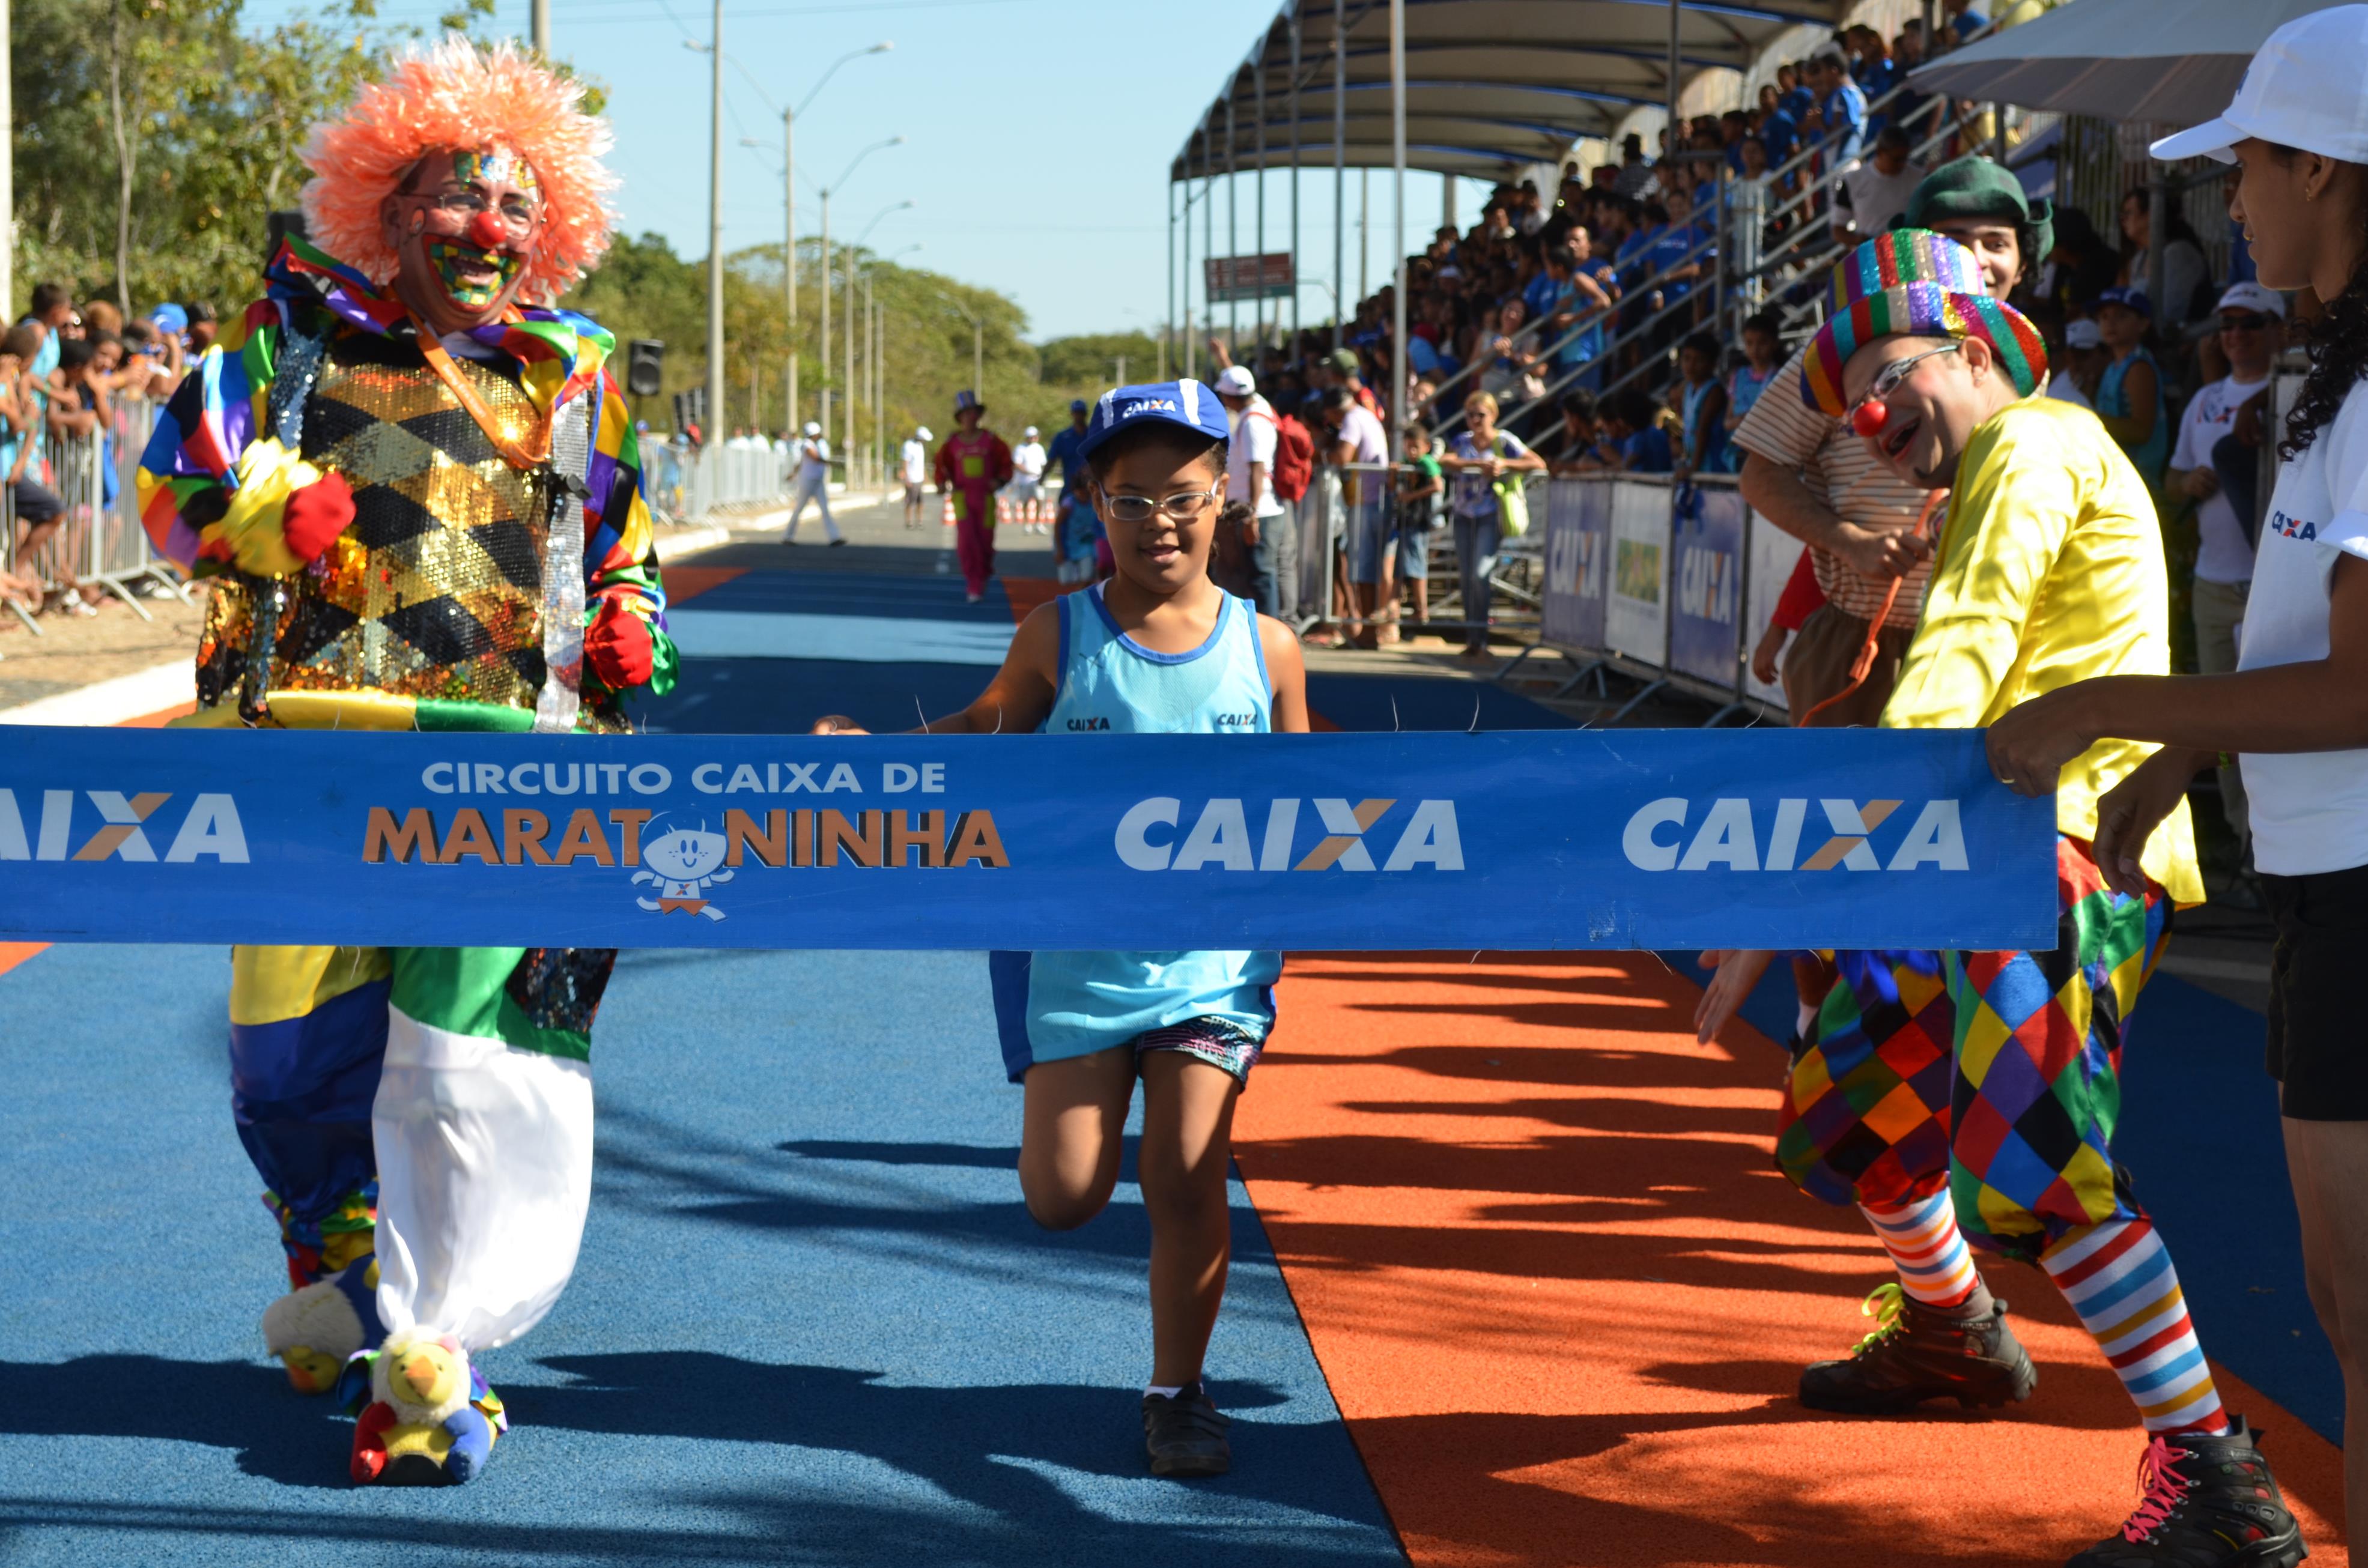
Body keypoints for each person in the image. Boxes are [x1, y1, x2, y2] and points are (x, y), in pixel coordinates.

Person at [1705, 229, 2305, 1568]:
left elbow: (1961, 667)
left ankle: (2219, 1474)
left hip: (2049, 864)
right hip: (1953, 859)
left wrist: (1779, 899)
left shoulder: (2036, 445)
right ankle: (1952, 1333)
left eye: (1885, 379)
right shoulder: (1989, 466)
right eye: (1851, 393)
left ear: (1971, 350)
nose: (1864, 416)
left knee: (2040, 1164)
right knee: (1866, 1108)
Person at [132, 37, 673, 1485]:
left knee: (464, 1069)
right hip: (307, 752)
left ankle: (436, 1358)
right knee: (292, 1066)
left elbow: (619, 552)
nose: (486, 230)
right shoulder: (286, 343)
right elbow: (170, 490)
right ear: (388, 202)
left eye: (513, 209)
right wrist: (252, 527)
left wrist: (629, 631)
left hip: (505, 766)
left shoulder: (577, 376)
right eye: (454, 199)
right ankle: (344, 1265)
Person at [1987, 23, 2368, 1548]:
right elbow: (2295, 638)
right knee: (2343, 1304)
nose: (2232, 202)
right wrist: (2177, 761)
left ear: (2329, 168)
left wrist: (2102, 706)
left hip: (2358, 887)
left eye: (2251, 165)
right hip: (2320, 885)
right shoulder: (2325, 380)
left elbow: (2356, 687)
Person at [810, 380, 1310, 1478]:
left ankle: (1178, 1394)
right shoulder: (1056, 632)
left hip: (1212, 972)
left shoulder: (1268, 648)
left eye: (1181, 496)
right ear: (1092, 502)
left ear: (1222, 496)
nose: (1159, 523)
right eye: (1130, 501)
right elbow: (982, 733)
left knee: (1187, 1170)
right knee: (1063, 1198)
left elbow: (1304, 803)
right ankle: (1081, 1140)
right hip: (1073, 964)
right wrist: (865, 759)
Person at [2169, 281, 2284, 870]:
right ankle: (2246, 854)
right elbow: (2173, 478)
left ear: (2276, 329)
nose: (2234, 334)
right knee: (2224, 731)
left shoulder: (2300, 387)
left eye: (2249, 322)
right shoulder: (2205, 399)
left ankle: (2280, 852)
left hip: (2279, 587)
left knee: (2277, 727)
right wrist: (2187, 484)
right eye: (2226, 324)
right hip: (2215, 587)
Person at [1437, 390, 1543, 658]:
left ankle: (1481, 637)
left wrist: (1503, 464)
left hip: (1490, 514)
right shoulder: (1463, 441)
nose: (1475, 419)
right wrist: (1472, 462)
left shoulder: (1504, 440)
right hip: (1463, 515)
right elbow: (1445, 460)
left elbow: (1536, 462)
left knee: (1480, 574)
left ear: (1493, 415)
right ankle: (1472, 638)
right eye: (1470, 414)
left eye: (1480, 414)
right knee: (1466, 576)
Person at [1213, 366, 1291, 620]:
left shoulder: (1253, 422)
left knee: (1260, 575)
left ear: (1230, 397)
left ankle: (1268, 632)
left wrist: (1251, 515)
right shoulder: (1257, 407)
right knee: (1256, 575)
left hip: (1260, 511)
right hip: (1259, 508)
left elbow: (1257, 469)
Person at [1322, 383, 1392, 649]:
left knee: (1364, 569)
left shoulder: (1353, 419)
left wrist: (1323, 455)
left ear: (1332, 411)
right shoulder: (1365, 415)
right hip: (1373, 498)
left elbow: (1343, 456)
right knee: (1367, 568)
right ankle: (1366, 631)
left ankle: (1367, 633)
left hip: (1367, 500)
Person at [934, 389, 1015, 603]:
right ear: (960, 416)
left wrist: (999, 481)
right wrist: (941, 483)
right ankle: (974, 583)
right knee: (966, 543)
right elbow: (941, 467)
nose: (971, 417)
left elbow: (1007, 465)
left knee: (985, 543)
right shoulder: (952, 444)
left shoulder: (991, 441)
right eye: (967, 413)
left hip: (985, 500)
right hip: (963, 500)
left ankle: (984, 572)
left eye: (974, 412)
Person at [2093, 286, 2169, 487]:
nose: (2110, 322)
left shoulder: (2139, 367)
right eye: (2104, 316)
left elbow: (2141, 431)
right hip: (2120, 477)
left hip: (2139, 482)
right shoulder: (2112, 367)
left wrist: (2090, 420)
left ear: (2143, 324)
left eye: (2121, 316)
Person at [1832, 127, 1924, 244]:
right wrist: (1860, 240)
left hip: (1908, 250)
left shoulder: (1919, 178)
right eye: (1897, 159)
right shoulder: (1853, 180)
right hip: (1870, 253)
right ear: (1880, 152)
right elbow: (1838, 230)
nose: (1902, 164)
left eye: (1905, 159)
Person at [1721, 311, 1783, 473]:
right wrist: (1740, 421)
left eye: (1762, 343)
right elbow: (1727, 422)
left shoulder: (1782, 377)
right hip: (1738, 456)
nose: (1755, 349)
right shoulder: (1738, 377)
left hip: (1768, 455)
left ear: (1775, 343)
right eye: (1749, 343)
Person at [1397, 420, 1443, 630]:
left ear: (1426, 446)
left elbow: (1437, 485)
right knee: (1409, 564)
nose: (1412, 451)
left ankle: (1421, 609)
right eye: (1408, 446)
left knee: (1417, 565)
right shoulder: (1407, 461)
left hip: (1421, 521)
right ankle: (1416, 606)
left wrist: (1411, 496)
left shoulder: (1427, 463)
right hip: (1408, 520)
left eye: (1416, 446)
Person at [1672, 331, 1729, 477]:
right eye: (1687, 359)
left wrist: (1694, 468)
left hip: (1712, 464)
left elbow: (1703, 429)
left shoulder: (1714, 391)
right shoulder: (1689, 388)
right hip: (1695, 461)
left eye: (1699, 360)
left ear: (1712, 364)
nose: (1691, 366)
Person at [785, 421, 843, 545]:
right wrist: (827, 462)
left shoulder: (814, 445)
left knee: (825, 509)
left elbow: (801, 463)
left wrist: (793, 473)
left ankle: (834, 537)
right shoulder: (807, 445)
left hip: (817, 482)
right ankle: (787, 536)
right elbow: (814, 457)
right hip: (808, 482)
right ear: (814, 434)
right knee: (799, 509)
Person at [1010, 423, 1048, 531]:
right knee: (1026, 502)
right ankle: (1027, 524)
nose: (1033, 439)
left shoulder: (1039, 448)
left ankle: (1038, 523)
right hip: (1025, 480)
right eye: (1031, 437)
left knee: (1040, 501)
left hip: (1037, 479)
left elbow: (1043, 463)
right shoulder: (1020, 448)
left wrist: (1043, 475)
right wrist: (1028, 472)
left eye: (1035, 436)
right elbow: (1017, 464)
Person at [900, 424, 932, 528]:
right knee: (910, 502)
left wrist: (925, 475)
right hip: (912, 479)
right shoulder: (908, 446)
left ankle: (920, 522)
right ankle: (909, 522)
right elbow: (905, 462)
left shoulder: (920, 446)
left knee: (921, 502)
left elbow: (921, 462)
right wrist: (906, 478)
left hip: (919, 479)